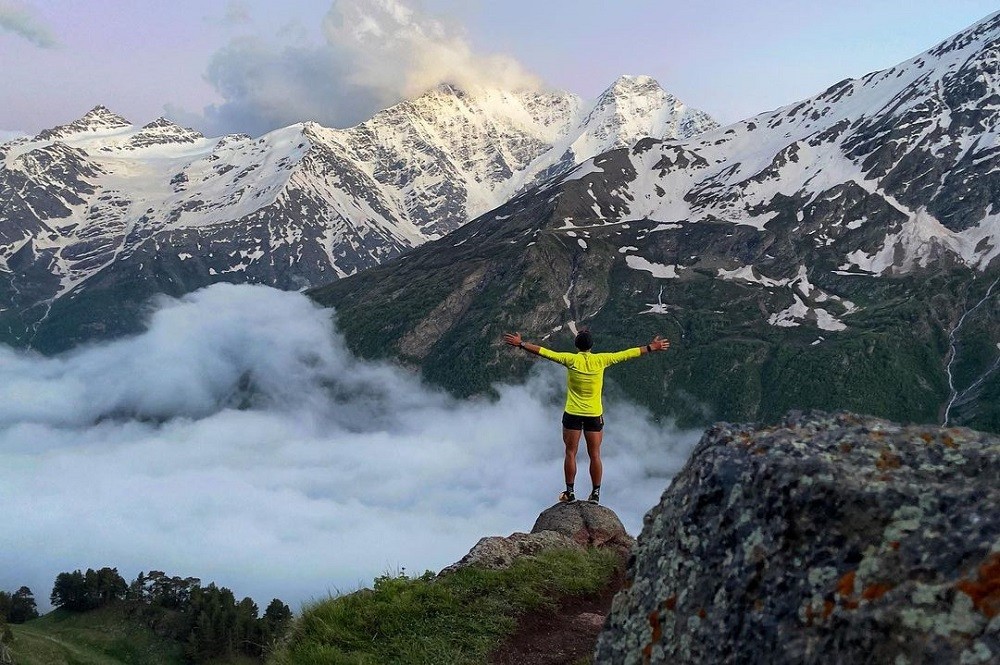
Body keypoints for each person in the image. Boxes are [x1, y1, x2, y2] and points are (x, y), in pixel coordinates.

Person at [503, 329, 670, 504]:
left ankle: (570, 493)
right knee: (595, 454)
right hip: (594, 414)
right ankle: (595, 494)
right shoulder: (602, 360)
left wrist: (521, 344)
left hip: (573, 413)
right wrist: (653, 347)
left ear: (576, 345)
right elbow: (629, 353)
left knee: (570, 453)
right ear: (592, 346)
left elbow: (544, 352)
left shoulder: (571, 360)